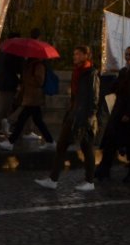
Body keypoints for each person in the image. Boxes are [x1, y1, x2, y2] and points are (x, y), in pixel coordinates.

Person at [36, 45, 100, 192]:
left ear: (86, 56)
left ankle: (89, 181)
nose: (74, 57)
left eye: (77, 54)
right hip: (74, 114)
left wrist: (88, 119)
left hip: (84, 117)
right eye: (74, 54)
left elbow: (94, 99)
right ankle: (54, 179)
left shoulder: (91, 74)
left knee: (87, 148)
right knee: (63, 145)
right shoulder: (78, 72)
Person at [96, 46, 130, 182]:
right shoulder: (124, 71)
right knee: (110, 141)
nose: (127, 57)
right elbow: (116, 87)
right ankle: (104, 169)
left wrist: (129, 113)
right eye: (126, 54)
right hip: (119, 112)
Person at [0, 57, 55, 151]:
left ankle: (10, 142)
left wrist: (27, 78)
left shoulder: (38, 66)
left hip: (34, 98)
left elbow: (39, 82)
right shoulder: (30, 65)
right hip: (29, 97)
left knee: (22, 120)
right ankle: (50, 141)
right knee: (37, 121)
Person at [0, 33, 22, 138]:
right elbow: (18, 68)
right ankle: (0, 128)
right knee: (5, 107)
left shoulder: (2, 52)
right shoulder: (14, 54)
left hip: (0, 81)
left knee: (2, 106)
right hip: (8, 84)